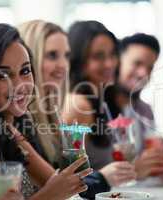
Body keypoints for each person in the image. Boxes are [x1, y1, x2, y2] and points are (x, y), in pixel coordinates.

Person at [0, 23, 92, 200]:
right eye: (2, 75)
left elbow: (63, 187)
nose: (20, 85)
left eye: (25, 70)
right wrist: (50, 195)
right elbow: (56, 190)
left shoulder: (10, 130)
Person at [18, 19, 111, 199]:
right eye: (52, 55)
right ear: (28, 58)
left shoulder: (52, 116)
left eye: (66, 56)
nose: (63, 65)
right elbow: (60, 187)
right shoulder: (19, 121)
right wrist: (104, 177)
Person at [62, 20, 136, 187]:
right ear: (78, 61)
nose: (110, 63)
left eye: (112, 54)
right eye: (98, 56)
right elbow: (68, 175)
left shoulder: (104, 99)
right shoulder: (79, 105)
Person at [106, 33, 163, 185]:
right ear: (117, 61)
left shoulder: (144, 110)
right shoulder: (97, 108)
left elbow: (155, 158)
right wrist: (133, 170)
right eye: (137, 63)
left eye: (150, 67)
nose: (143, 73)